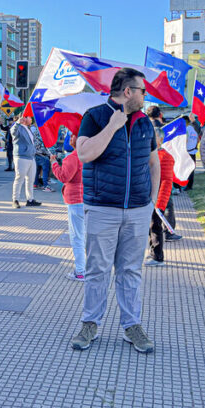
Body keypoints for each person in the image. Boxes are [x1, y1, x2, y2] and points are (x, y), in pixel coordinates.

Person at [70, 67, 160, 354]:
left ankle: (132, 326)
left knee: (131, 270)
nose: (145, 96)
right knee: (97, 269)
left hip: (137, 210)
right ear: (128, 91)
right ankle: (90, 324)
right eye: (143, 91)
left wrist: (151, 202)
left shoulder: (145, 123)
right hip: (102, 209)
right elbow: (84, 154)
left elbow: (153, 163)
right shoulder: (95, 116)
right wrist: (112, 126)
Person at [49, 134, 85, 281]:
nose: (70, 139)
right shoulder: (91, 155)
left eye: (73, 136)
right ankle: (90, 269)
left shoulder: (73, 157)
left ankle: (80, 271)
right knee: (88, 237)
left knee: (77, 238)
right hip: (89, 199)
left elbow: (64, 177)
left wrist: (54, 163)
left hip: (76, 201)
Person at [146, 135, 175, 267]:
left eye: (154, 137)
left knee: (155, 227)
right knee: (150, 227)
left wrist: (160, 203)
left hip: (157, 200)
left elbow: (166, 182)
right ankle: (153, 251)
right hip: (148, 199)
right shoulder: (150, 155)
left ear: (160, 140)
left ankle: (158, 257)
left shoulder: (165, 157)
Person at [11, 115, 41, 208]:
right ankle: (15, 200)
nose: (31, 119)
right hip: (21, 157)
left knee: (30, 180)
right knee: (19, 179)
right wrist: (17, 123)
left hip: (31, 157)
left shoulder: (28, 128)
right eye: (29, 117)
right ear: (24, 118)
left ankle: (30, 199)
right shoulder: (18, 127)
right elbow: (13, 132)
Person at [32, 126, 53, 191]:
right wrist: (51, 153)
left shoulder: (35, 132)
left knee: (37, 171)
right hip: (43, 155)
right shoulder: (45, 132)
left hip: (36, 154)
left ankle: (35, 184)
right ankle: (45, 186)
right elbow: (47, 145)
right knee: (45, 171)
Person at [183, 115, 199, 191]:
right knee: (191, 169)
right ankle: (190, 185)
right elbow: (198, 139)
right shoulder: (193, 129)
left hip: (188, 152)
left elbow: (185, 140)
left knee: (187, 170)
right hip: (193, 151)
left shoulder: (186, 129)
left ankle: (187, 186)